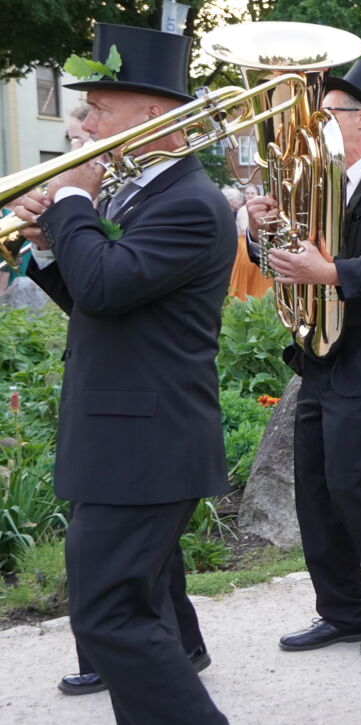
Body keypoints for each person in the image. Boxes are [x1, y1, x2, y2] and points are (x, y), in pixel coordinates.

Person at [13, 23, 231, 723]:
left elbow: (107, 287)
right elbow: (101, 302)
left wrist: (73, 204)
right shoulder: (140, 196)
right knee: (130, 614)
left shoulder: (188, 202)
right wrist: (53, 246)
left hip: (147, 440)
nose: (86, 123)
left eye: (101, 108)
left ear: (155, 114)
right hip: (128, 436)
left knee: (109, 615)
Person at [246, 60, 361, 657]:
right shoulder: (312, 180)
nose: (315, 124)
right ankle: (343, 611)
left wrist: (331, 272)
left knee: (355, 486)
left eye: (327, 113)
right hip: (318, 353)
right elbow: (280, 258)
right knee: (314, 490)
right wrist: (259, 232)